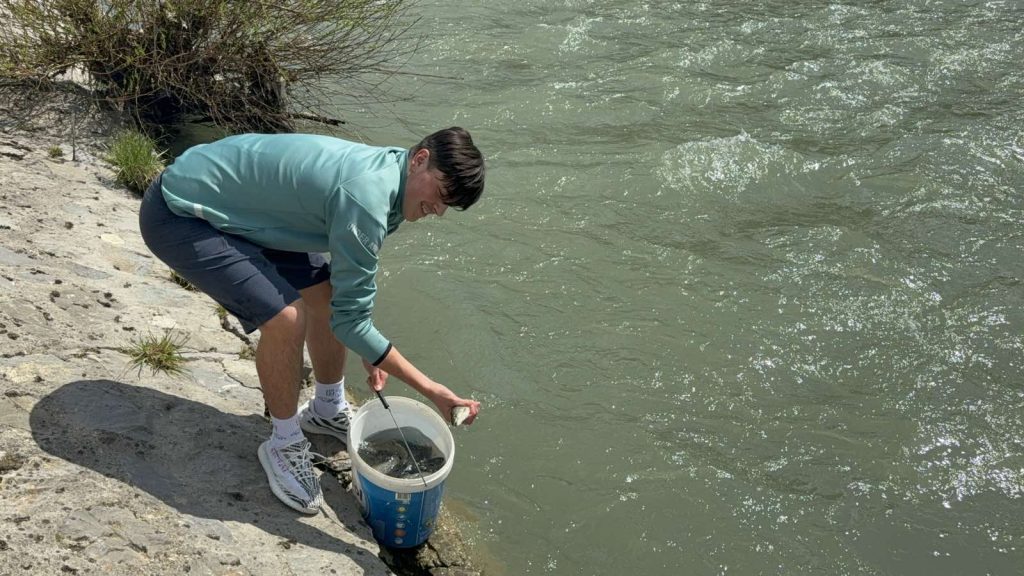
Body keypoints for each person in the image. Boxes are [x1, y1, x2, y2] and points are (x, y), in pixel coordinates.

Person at [138, 127, 484, 514]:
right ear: (420, 160)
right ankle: (284, 444)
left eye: (448, 205)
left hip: (250, 210)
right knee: (286, 319)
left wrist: (369, 347)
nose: (439, 210)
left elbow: (352, 291)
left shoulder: (395, 176)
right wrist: (433, 390)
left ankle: (327, 408)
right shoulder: (367, 196)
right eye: (440, 194)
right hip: (181, 212)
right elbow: (351, 322)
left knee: (326, 296)